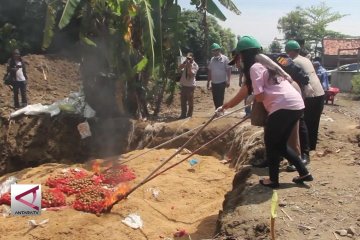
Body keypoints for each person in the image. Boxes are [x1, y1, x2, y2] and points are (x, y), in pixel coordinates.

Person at [217, 36, 313, 188]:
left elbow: (260, 96)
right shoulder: (268, 64)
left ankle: (273, 180)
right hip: (296, 104)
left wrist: (254, 95)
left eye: (239, 57)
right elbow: (246, 92)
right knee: (281, 145)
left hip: (282, 107)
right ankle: (304, 172)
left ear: (243, 55)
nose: (239, 61)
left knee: (272, 144)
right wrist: (225, 106)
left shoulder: (254, 68)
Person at [285, 40, 325, 153]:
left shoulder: (294, 62)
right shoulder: (306, 59)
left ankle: (304, 150)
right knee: (314, 122)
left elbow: (298, 82)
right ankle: (311, 146)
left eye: (287, 52)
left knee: (303, 123)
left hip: (310, 96)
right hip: (320, 94)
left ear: (290, 52)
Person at [207, 43, 232, 109]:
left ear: (219, 50)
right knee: (215, 97)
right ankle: (217, 110)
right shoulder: (212, 59)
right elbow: (210, 71)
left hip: (221, 82)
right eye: (213, 51)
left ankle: (220, 110)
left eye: (215, 50)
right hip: (214, 83)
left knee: (220, 97)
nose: (214, 52)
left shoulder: (225, 59)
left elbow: (228, 70)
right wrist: (208, 82)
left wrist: (228, 80)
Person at [178, 52, 199, 119]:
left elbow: (191, 74)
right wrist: (184, 64)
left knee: (190, 101)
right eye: (187, 58)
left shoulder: (195, 65)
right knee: (183, 101)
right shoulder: (185, 63)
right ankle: (183, 114)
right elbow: (179, 69)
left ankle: (189, 115)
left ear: (193, 58)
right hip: (184, 85)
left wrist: (189, 67)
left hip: (190, 86)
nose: (188, 59)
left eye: (190, 58)